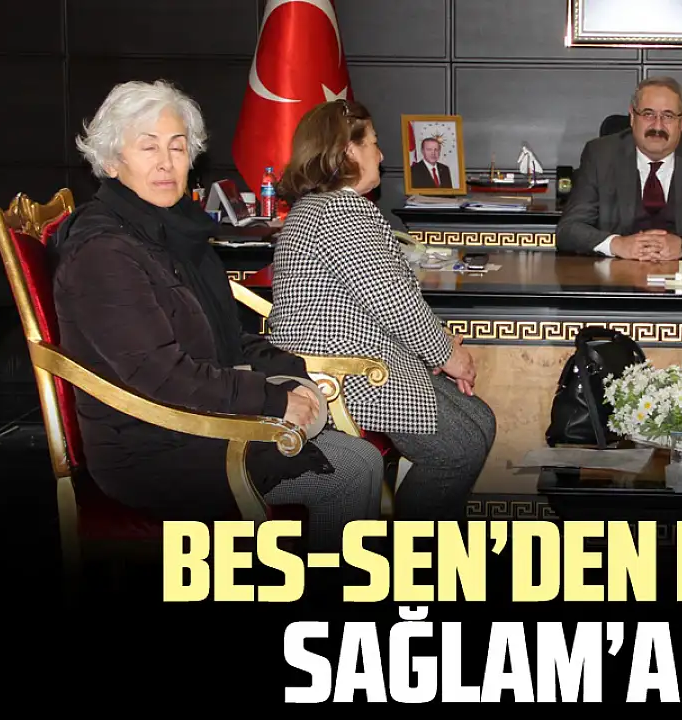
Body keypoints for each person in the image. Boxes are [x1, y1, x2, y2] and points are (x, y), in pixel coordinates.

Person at [48, 80, 384, 552]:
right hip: (153, 445)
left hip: (199, 417)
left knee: (361, 458)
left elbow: (229, 337)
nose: (166, 162)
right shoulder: (103, 252)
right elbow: (161, 375)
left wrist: (297, 377)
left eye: (177, 146)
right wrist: (272, 400)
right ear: (110, 161)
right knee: (349, 471)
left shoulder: (176, 232)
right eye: (148, 147)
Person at [267, 99, 496, 520]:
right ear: (349, 150)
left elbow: (389, 298)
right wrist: (449, 356)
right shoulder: (341, 211)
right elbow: (395, 305)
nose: (382, 153)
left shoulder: (321, 206)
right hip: (346, 375)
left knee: (480, 420)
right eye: (373, 142)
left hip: (364, 360)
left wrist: (441, 347)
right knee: (459, 448)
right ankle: (413, 551)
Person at [556, 76, 682, 260]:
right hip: (618, 274)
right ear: (632, 117)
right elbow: (569, 229)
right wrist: (617, 245)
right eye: (648, 114)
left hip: (681, 275)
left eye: (668, 116)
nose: (657, 126)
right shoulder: (601, 155)